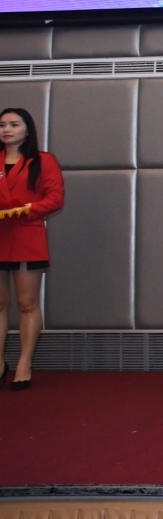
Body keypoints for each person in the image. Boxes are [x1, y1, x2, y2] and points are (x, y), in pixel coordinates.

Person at [0, 108, 64, 391]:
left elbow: (55, 198)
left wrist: (25, 209)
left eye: (14, 124)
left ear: (28, 130)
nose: (7, 130)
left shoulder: (43, 161)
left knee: (26, 303)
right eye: (2, 125)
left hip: (27, 236)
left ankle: (24, 363)